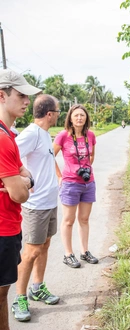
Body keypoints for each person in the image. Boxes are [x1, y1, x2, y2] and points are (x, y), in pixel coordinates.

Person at [11, 94, 61, 322]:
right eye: (59, 111)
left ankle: (37, 287)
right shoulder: (31, 133)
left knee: (44, 246)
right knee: (31, 252)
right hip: (36, 205)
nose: (59, 115)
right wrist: (24, 180)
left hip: (49, 202)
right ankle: (19, 298)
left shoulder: (44, 133)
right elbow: (11, 156)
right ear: (49, 114)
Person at [0, 69, 41, 330]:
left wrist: (23, 179)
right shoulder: (3, 139)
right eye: (21, 95)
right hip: (3, 229)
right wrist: (23, 183)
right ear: (1, 96)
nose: (27, 101)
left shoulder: (10, 134)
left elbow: (25, 176)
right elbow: (19, 193)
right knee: (1, 296)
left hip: (9, 226)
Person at [53, 104, 98, 268]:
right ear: (70, 118)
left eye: (82, 115)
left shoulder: (90, 135)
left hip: (88, 183)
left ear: (86, 118)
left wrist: (86, 169)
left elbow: (91, 155)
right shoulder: (63, 136)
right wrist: (60, 175)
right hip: (70, 183)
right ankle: (68, 254)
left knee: (84, 219)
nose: (79, 118)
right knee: (68, 220)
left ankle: (84, 251)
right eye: (76, 115)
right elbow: (49, 156)